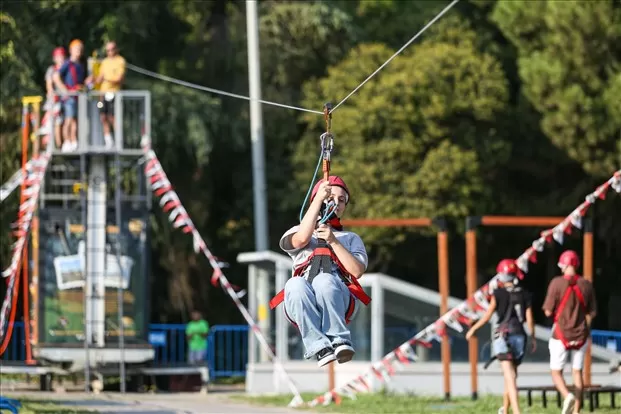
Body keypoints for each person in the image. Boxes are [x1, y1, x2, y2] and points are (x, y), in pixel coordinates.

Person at [270, 176, 371, 367]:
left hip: (338, 297)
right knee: (294, 283)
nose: (336, 203)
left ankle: (339, 339)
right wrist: (318, 201)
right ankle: (318, 346)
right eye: (331, 197)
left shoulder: (350, 238)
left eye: (342, 200)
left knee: (324, 280)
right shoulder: (297, 232)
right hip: (302, 299)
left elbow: (356, 271)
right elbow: (299, 241)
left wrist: (333, 240)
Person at [466, 259, 536, 414]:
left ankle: (517, 411)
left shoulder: (497, 294)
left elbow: (487, 315)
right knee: (511, 376)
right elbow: (530, 319)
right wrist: (533, 338)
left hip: (502, 336)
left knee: (509, 376)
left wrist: (473, 329)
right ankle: (505, 409)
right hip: (520, 336)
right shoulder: (525, 294)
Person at [543, 250, 597, 414]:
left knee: (556, 372)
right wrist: (583, 323)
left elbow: (547, 311)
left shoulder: (556, 283)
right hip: (581, 335)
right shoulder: (586, 284)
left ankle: (567, 396)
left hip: (560, 334)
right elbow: (592, 312)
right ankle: (576, 412)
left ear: (564, 265)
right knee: (577, 372)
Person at [86, 41, 126, 148]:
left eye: (112, 49)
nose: (110, 52)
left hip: (114, 94)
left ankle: (119, 139)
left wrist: (107, 80)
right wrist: (92, 79)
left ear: (116, 49)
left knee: (113, 117)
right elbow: (100, 78)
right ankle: (108, 140)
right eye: (108, 50)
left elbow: (119, 79)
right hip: (103, 95)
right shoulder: (105, 62)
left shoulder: (120, 61)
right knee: (103, 117)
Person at [53, 39, 86, 152]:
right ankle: (67, 141)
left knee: (75, 120)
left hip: (77, 96)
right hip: (69, 97)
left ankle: (74, 141)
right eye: (77, 49)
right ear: (71, 50)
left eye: (80, 49)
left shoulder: (80, 65)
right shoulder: (68, 63)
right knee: (68, 119)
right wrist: (65, 90)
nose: (79, 51)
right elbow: (56, 76)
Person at [44, 47, 67, 149]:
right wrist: (52, 95)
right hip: (55, 101)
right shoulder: (52, 70)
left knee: (63, 123)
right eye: (58, 57)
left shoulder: (66, 69)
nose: (60, 59)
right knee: (54, 123)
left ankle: (61, 145)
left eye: (62, 57)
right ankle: (55, 145)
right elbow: (49, 85)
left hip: (66, 100)